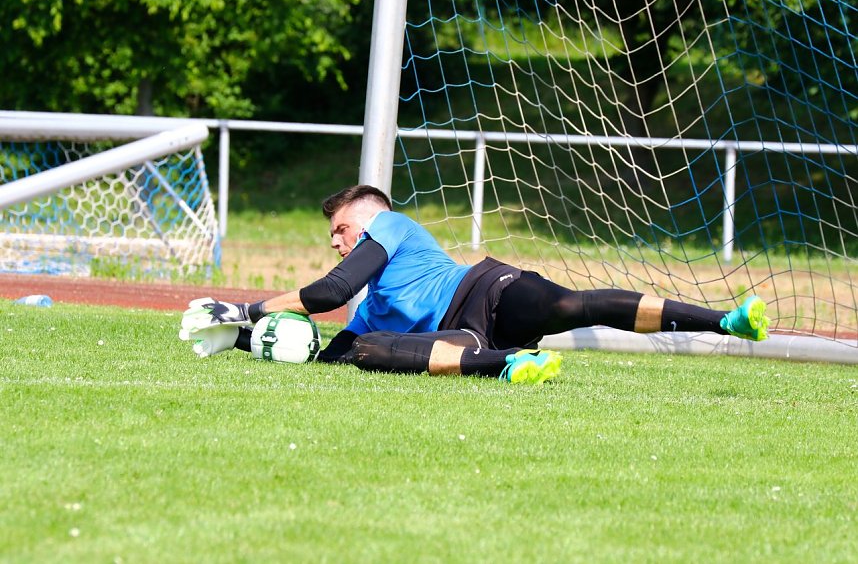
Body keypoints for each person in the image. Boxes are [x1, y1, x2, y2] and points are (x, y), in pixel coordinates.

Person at [181, 185, 770, 384]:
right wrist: (236, 335)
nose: (336, 241)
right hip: (462, 337)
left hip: (485, 290)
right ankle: (509, 366)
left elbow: (330, 292)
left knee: (568, 304)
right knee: (359, 350)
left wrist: (245, 307)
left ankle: (726, 320)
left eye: (340, 230)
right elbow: (323, 348)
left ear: (368, 217)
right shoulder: (373, 305)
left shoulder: (391, 224)